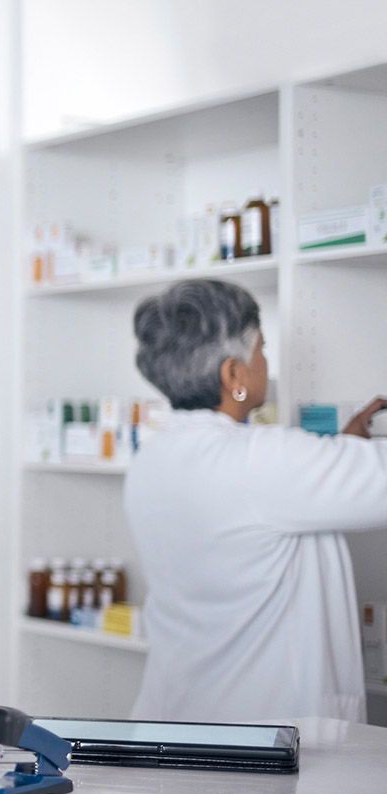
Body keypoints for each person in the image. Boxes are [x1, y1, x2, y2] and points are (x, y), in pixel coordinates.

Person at [125, 279, 387, 723]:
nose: (266, 362)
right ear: (234, 375)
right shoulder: (260, 460)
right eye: (262, 350)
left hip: (176, 717)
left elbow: (261, 501)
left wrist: (342, 447)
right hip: (264, 734)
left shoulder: (152, 458)